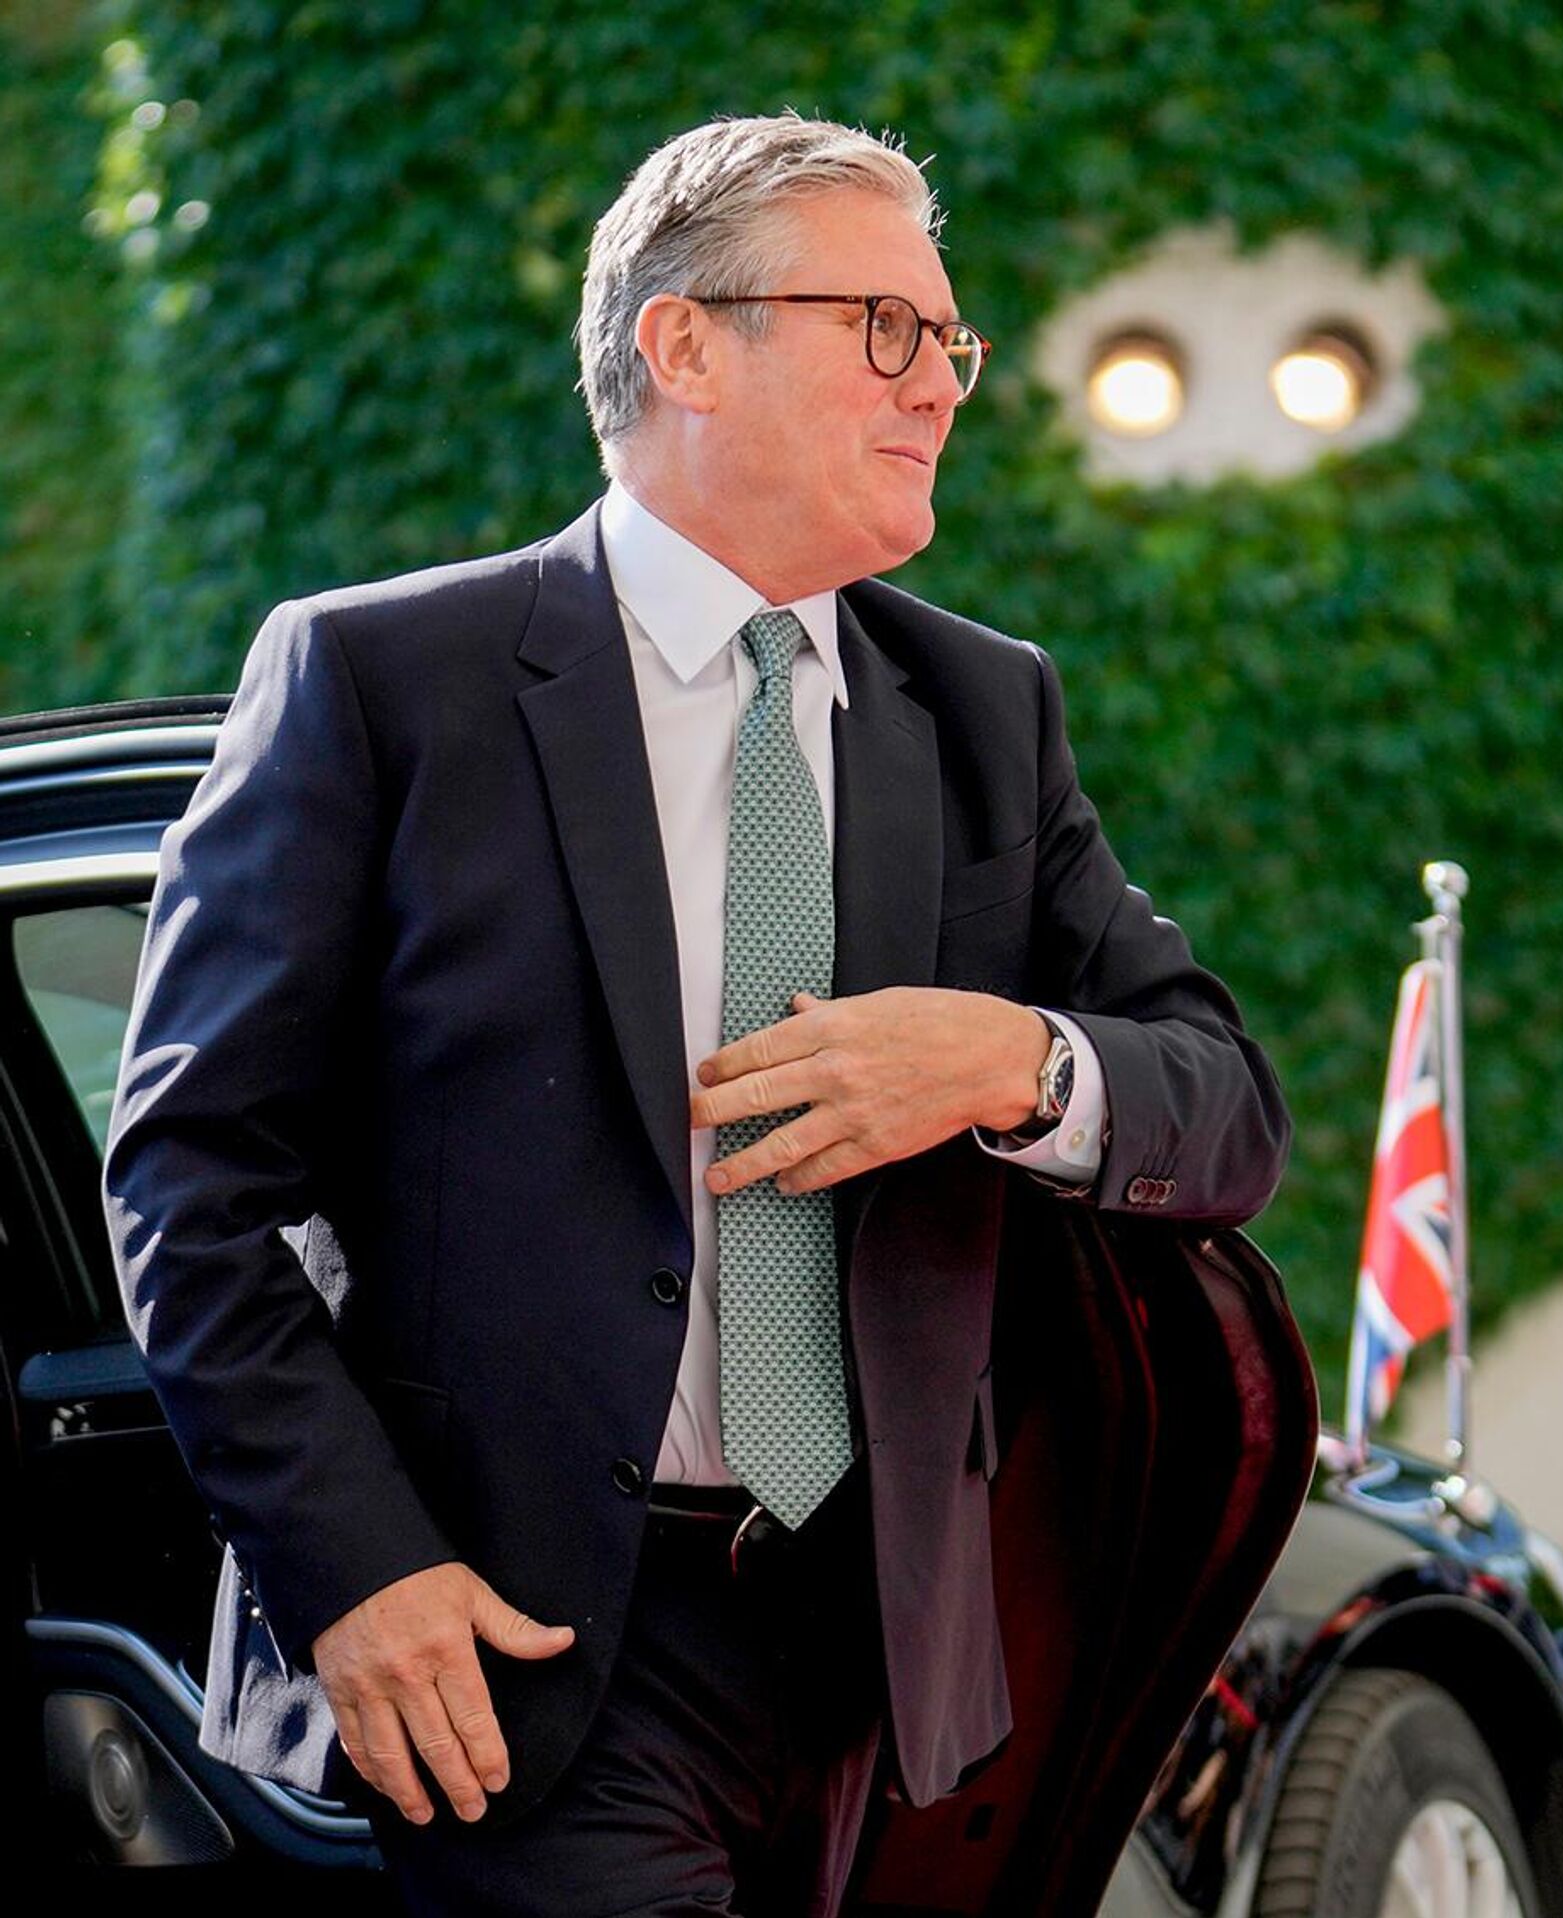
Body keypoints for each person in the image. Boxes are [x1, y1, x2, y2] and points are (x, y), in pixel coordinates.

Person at [104, 113, 1288, 1916]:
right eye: (883, 328)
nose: (940, 382)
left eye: (949, 341)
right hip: (517, 1657)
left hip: (890, 1679)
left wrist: (1009, 1058)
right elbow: (190, 1189)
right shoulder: (381, 683)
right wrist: (354, 1566)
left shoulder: (986, 711)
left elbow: (1229, 1105)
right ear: (684, 345)